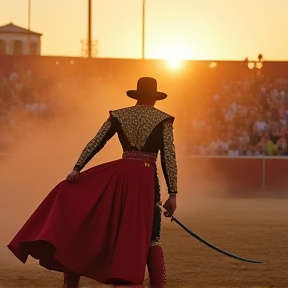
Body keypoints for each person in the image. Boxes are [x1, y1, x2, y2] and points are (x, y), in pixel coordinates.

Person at [7, 77, 178, 288]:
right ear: (154, 98)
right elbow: (168, 157)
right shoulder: (163, 120)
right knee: (152, 237)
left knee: (92, 228)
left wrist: (77, 168)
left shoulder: (119, 115)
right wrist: (173, 193)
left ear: (136, 96)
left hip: (120, 177)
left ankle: (72, 282)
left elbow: (96, 142)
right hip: (146, 179)